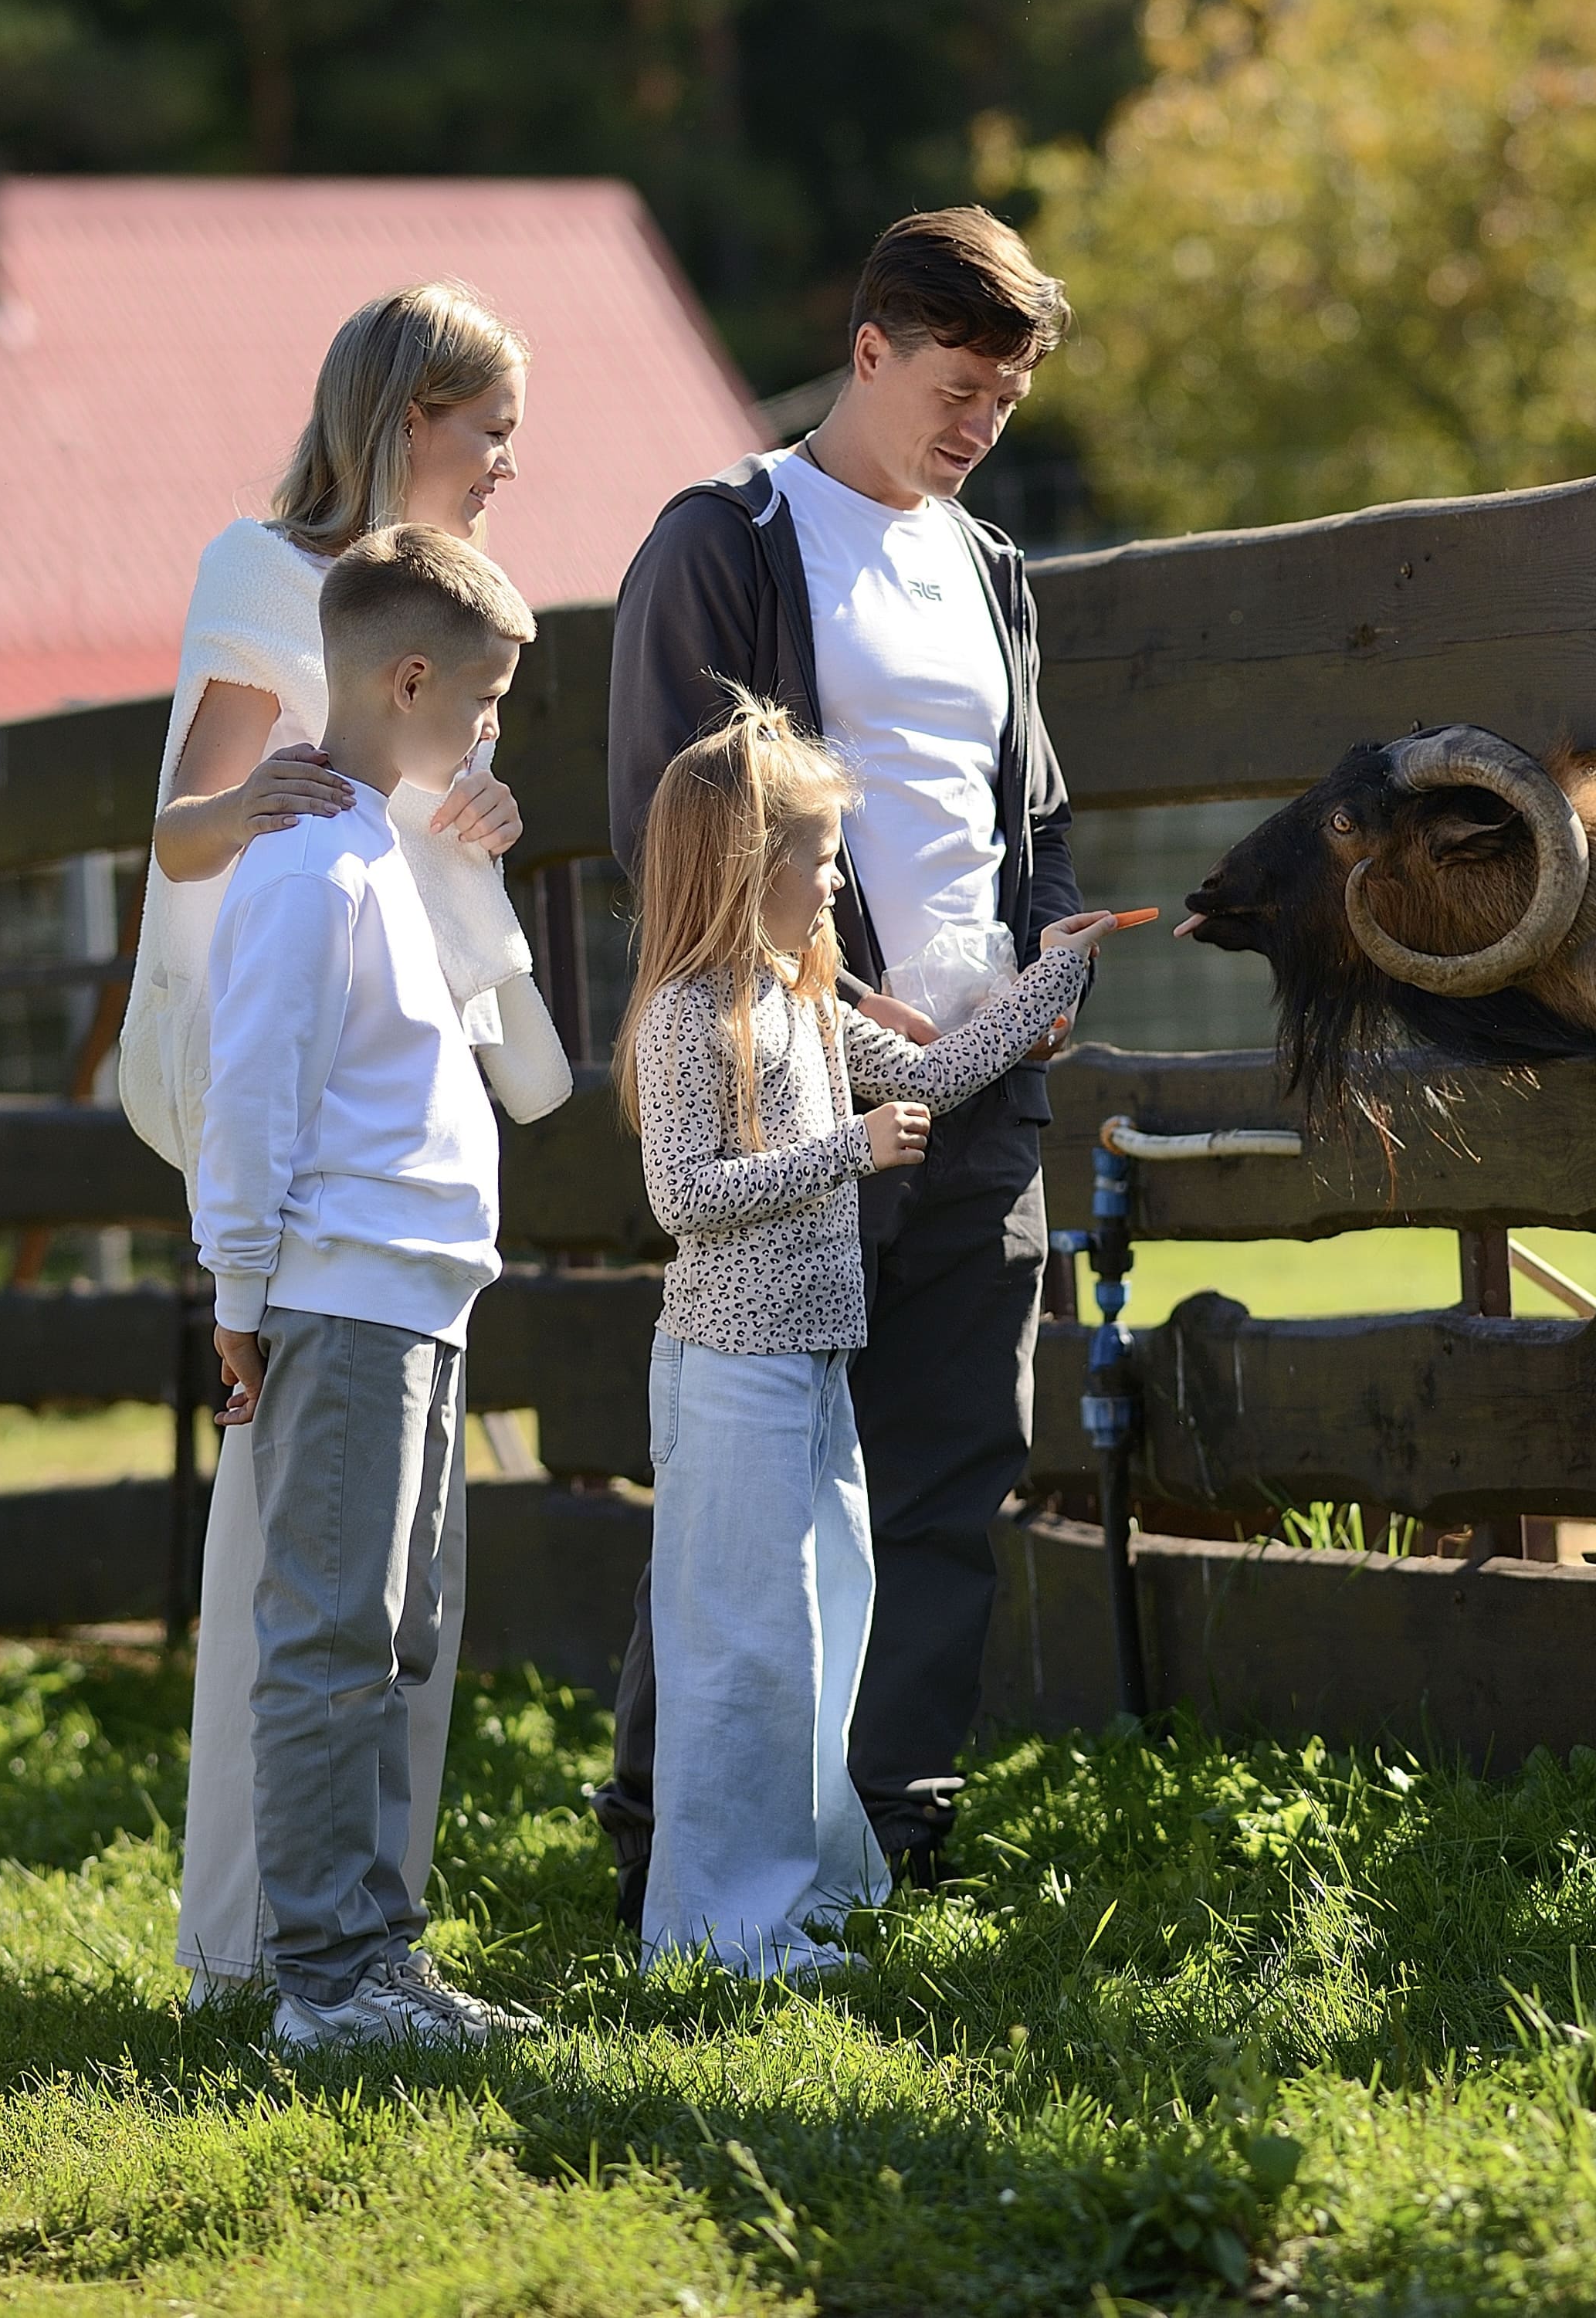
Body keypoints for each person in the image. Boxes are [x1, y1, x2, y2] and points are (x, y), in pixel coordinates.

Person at [596, 205, 1080, 1916]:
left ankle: (892, 1829)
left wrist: (1050, 961)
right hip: (797, 1087)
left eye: (1005, 400)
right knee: (761, 1481)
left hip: (983, 1098)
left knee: (949, 1461)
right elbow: (684, 827)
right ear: (867, 349)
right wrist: (856, 1025)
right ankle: (681, 1831)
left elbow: (1036, 813)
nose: (977, 425)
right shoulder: (725, 537)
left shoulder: (991, 566)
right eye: (956, 385)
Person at [123, 280, 578, 2004]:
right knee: (310, 1591)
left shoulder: (450, 611)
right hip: (311, 1129)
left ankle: (358, 1936)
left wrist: (472, 820)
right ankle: (275, 1942)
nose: (504, 471)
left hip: (403, 1112)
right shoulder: (272, 580)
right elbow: (194, 827)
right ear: (405, 420)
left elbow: (417, 816)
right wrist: (265, 809)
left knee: (391, 1605)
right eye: (489, 439)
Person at [618, 697, 1126, 1974]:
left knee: (818, 1630)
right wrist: (849, 1148)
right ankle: (718, 1929)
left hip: (804, 1367)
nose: (839, 876)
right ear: (754, 867)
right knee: (745, 1649)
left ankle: (784, 1895)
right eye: (823, 855)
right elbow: (682, 1200)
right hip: (731, 1371)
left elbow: (942, 1068)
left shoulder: (792, 1003)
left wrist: (1051, 974)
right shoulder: (693, 1015)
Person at [191, 523, 546, 2050]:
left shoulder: (387, 850)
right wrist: (241, 1285)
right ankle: (320, 1979)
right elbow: (254, 1086)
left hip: (418, 1300)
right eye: (478, 705)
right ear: (408, 678)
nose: (483, 736)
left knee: (393, 1641)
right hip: (341, 1303)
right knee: (331, 1637)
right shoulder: (305, 867)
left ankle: (382, 1952)